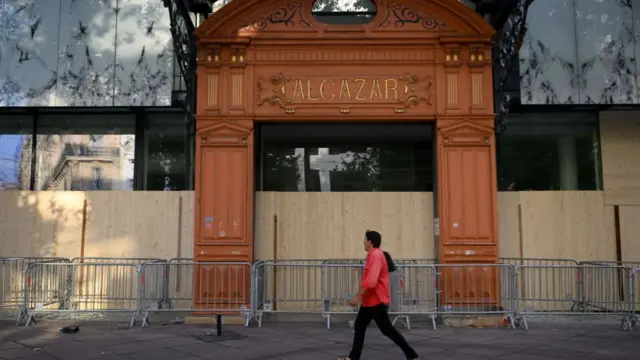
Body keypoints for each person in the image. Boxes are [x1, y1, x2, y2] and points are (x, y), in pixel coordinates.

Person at [339, 230, 419, 360]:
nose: (363, 242)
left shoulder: (376, 256)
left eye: (365, 240)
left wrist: (357, 296)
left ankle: (353, 358)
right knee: (386, 329)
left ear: (370, 242)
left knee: (362, 326)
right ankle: (411, 355)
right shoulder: (373, 255)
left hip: (374, 301)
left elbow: (371, 282)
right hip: (373, 301)